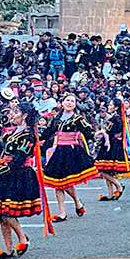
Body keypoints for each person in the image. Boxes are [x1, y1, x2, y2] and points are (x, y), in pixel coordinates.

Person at [0, 102, 43, 258]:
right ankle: (8, 249)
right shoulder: (13, 132)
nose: (12, 114)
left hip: (20, 175)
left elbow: (18, 160)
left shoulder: (28, 135)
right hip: (6, 173)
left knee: (7, 211)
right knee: (1, 213)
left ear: (25, 116)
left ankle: (23, 238)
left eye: (16, 111)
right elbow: (4, 155)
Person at [41, 94, 98, 222]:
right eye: (67, 100)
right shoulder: (56, 118)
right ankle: (63, 212)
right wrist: (36, 137)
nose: (69, 103)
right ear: (62, 102)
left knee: (66, 182)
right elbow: (48, 132)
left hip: (71, 152)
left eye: (72, 101)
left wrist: (95, 139)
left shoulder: (78, 118)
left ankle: (77, 202)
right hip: (59, 151)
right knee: (58, 184)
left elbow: (88, 132)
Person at [93, 100, 128, 200]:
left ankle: (119, 186)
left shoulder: (114, 118)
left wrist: (98, 133)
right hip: (114, 144)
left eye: (111, 104)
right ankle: (110, 194)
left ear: (116, 107)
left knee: (103, 171)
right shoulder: (119, 118)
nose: (109, 106)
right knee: (107, 171)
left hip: (111, 145)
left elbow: (107, 131)